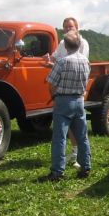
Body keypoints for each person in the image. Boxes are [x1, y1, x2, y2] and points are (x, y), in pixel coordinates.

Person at [41, 30, 91, 181]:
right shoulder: (85, 62)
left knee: (59, 138)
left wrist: (54, 96)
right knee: (82, 136)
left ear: (66, 46)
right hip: (79, 101)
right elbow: (86, 81)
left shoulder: (62, 62)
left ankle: (57, 171)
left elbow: (51, 83)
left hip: (63, 101)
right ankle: (86, 167)